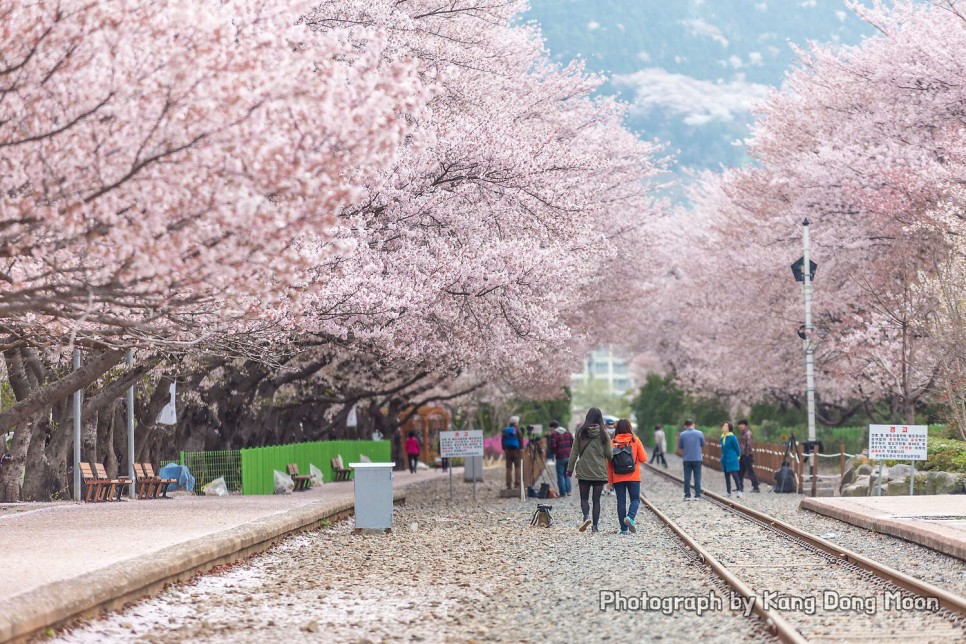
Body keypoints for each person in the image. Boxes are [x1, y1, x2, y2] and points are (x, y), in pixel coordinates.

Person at [567, 407, 611, 533]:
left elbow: (574, 452)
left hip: (584, 470)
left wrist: (570, 469)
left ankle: (586, 517)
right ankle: (595, 527)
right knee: (596, 500)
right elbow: (609, 453)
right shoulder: (604, 433)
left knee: (584, 498)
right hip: (599, 471)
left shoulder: (581, 432)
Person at [608, 419, 648, 535]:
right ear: (630, 427)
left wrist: (610, 480)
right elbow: (644, 458)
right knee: (635, 499)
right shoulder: (635, 440)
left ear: (617, 428)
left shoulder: (613, 442)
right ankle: (630, 517)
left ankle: (624, 529)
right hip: (633, 476)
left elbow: (609, 463)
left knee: (621, 502)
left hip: (617, 476)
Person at [677, 419, 705, 501]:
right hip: (697, 458)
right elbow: (703, 444)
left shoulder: (682, 434)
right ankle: (697, 495)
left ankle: (687, 495)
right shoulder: (699, 433)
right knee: (697, 477)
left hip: (687, 459)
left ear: (685, 426)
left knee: (687, 477)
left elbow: (680, 446)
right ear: (693, 424)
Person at [547, 420, 573, 496]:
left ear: (553, 427)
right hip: (568, 456)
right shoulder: (568, 433)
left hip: (560, 457)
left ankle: (562, 492)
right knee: (567, 474)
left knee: (560, 475)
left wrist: (554, 453)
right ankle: (569, 491)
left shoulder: (554, 434)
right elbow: (573, 443)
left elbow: (553, 446)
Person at [737, 420, 761, 493]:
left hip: (747, 455)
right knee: (740, 472)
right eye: (739, 425)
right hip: (742, 455)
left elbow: (749, 444)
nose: (740, 426)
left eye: (742, 424)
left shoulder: (748, 433)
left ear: (745, 425)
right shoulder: (743, 433)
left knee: (750, 471)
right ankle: (740, 486)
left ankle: (756, 486)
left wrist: (746, 454)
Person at [720, 422, 743, 498]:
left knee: (735, 475)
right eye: (723, 426)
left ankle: (739, 491)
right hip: (725, 459)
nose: (724, 427)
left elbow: (737, 448)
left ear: (729, 428)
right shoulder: (722, 437)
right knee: (727, 476)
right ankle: (728, 492)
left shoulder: (732, 437)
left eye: (726, 426)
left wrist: (738, 456)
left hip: (732, 458)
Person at [502, 416, 524, 489]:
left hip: (508, 451)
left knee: (508, 468)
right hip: (516, 451)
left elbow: (502, 440)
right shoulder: (517, 430)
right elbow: (521, 440)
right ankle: (517, 484)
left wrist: (505, 449)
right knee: (517, 467)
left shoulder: (505, 430)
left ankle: (508, 484)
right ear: (515, 423)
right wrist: (521, 449)